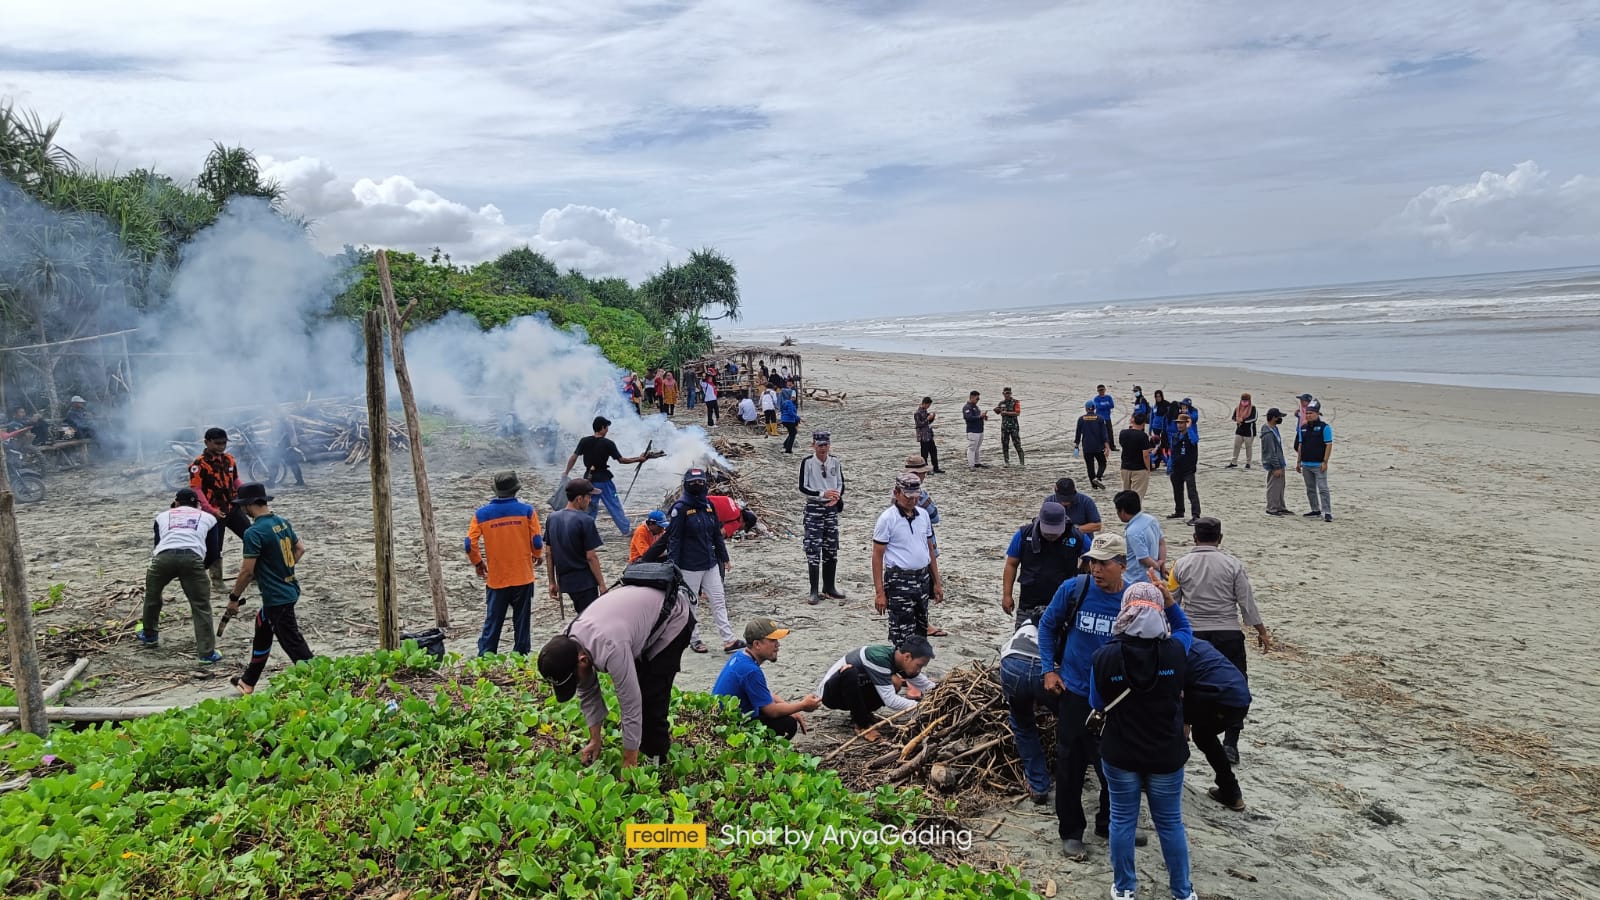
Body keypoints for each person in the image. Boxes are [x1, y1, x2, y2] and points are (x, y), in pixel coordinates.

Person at [1038, 534, 1162, 861]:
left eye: (1104, 563)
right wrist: (1049, 669)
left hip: (1118, 700)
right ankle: (1071, 831)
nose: (1096, 569)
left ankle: (1109, 823)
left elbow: (1159, 640)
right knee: (1070, 766)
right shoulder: (1074, 589)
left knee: (1116, 767)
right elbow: (1047, 626)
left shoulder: (1133, 598)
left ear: (1122, 565)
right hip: (1076, 693)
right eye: (1092, 561)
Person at [1087, 580, 1196, 899]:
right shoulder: (1176, 650)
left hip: (1120, 752)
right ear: (1158, 611)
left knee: (1122, 820)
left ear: (1124, 610)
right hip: (1165, 753)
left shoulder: (1104, 656)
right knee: (1170, 823)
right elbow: (1185, 627)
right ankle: (1182, 891)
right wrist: (1170, 600)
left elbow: (1096, 703)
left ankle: (1124, 888)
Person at [536, 578, 694, 766]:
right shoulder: (570, 640)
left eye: (574, 679)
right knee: (640, 681)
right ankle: (642, 749)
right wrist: (595, 740)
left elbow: (631, 705)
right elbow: (587, 692)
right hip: (635, 620)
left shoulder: (612, 647)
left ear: (583, 661)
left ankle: (656, 758)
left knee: (651, 693)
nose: (577, 684)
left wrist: (628, 762)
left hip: (674, 616)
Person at [1173, 517, 1269, 764]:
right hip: (1228, 632)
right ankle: (1230, 743)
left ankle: (1183, 732)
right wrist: (1261, 630)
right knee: (1236, 683)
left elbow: (1171, 601)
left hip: (1193, 634)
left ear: (1194, 538)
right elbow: (1246, 601)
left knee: (1187, 684)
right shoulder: (1232, 564)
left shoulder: (1181, 564)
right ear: (1220, 538)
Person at [225, 483, 312, 695]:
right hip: (289, 588)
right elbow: (299, 548)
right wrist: (283, 568)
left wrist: (234, 598)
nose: (242, 510)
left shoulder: (253, 532)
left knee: (293, 643)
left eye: (242, 505)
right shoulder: (282, 522)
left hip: (276, 597)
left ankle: (321, 679)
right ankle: (248, 681)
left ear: (250, 505)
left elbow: (246, 572)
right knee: (262, 625)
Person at [464, 470, 544, 656]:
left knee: (493, 620)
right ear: (516, 490)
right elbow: (537, 540)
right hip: (523, 576)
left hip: (497, 578)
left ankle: (485, 655)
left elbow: (469, 543)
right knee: (522, 621)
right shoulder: (527, 511)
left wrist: (478, 563)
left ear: (496, 490)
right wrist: (536, 554)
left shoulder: (482, 514)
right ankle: (521, 654)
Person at [138, 488, 221, 662]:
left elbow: (158, 544)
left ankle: (150, 635)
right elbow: (214, 552)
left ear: (175, 503)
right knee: (201, 605)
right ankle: (206, 653)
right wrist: (199, 568)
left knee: (152, 596)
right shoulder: (208, 518)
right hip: (192, 558)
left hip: (163, 559)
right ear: (198, 505)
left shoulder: (162, 516)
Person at [665, 467, 739, 654]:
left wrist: (724, 557)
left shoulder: (708, 506)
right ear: (686, 485)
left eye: (700, 483)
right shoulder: (680, 509)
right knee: (691, 604)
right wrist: (673, 566)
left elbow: (716, 534)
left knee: (718, 599)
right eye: (693, 483)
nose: (697, 486)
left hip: (710, 562)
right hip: (689, 565)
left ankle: (729, 640)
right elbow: (674, 539)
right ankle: (694, 638)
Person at [713, 618, 821, 739]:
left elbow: (762, 693)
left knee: (785, 714)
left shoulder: (740, 656)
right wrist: (803, 705)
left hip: (722, 720)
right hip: (730, 728)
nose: (778, 644)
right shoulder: (751, 670)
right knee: (788, 724)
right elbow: (772, 711)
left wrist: (790, 707)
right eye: (772, 640)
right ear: (757, 644)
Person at [815, 637, 937, 741]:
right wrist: (923, 706)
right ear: (907, 656)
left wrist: (942, 694)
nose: (919, 670)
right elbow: (891, 700)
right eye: (919, 665)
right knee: (849, 672)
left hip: (854, 690)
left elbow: (926, 685)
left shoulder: (900, 660)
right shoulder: (879, 658)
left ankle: (864, 713)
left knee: (895, 682)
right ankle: (862, 725)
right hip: (831, 695)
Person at [872, 472, 944, 644]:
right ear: (896, 493)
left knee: (920, 632)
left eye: (915, 497)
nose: (912, 501)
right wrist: (879, 593)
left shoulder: (923, 515)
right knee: (901, 634)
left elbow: (929, 550)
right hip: (899, 581)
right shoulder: (887, 519)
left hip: (922, 578)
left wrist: (937, 583)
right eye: (908, 497)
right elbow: (877, 556)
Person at [563, 416, 663, 537]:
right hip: (604, 480)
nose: (607, 430)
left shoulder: (584, 441)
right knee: (614, 505)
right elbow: (622, 460)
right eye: (606, 427)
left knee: (590, 506)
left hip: (588, 481)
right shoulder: (608, 444)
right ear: (602, 428)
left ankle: (585, 531)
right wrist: (639, 459)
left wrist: (566, 472)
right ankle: (626, 530)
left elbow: (573, 457)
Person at [1184, 638, 1253, 812]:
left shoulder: (1172, 650)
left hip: (1218, 698)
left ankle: (1157, 777)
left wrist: (1184, 721)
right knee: (1203, 736)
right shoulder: (1199, 642)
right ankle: (1231, 793)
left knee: (1167, 719)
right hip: (1241, 698)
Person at [1002, 501, 1086, 628]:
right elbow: (1011, 564)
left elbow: (1093, 559)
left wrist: (1082, 578)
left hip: (1063, 603)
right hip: (1029, 603)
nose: (1051, 536)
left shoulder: (1077, 537)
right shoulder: (1023, 535)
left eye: (1055, 532)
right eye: (1047, 532)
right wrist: (1007, 595)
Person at [1000, 614, 1055, 803]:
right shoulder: (1062, 627)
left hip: (1012, 664)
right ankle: (1069, 776)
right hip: (1046, 672)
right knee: (1070, 722)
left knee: (1022, 724)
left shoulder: (1025, 626)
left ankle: (1038, 785)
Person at [189, 427, 251, 594]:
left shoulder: (229, 460)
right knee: (215, 547)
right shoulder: (198, 464)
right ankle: (217, 581)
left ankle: (255, 573)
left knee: (252, 537)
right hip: (213, 511)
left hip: (233, 506)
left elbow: (235, 480)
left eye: (224, 443)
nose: (222, 446)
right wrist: (210, 510)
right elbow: (196, 489)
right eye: (217, 443)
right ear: (207, 442)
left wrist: (246, 495)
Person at [545, 478, 607, 615]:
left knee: (581, 614)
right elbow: (591, 557)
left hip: (565, 580)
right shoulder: (585, 520)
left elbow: (549, 553)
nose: (590, 500)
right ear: (579, 498)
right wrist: (602, 584)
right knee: (590, 618)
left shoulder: (552, 518)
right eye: (588, 497)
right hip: (584, 581)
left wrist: (552, 582)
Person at [798, 432, 846, 604]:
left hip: (831, 509)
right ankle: (813, 590)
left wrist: (836, 496)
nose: (823, 448)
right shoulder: (808, 463)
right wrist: (822, 494)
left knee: (831, 547)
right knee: (813, 548)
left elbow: (840, 483)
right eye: (820, 445)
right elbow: (802, 487)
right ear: (814, 445)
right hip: (814, 509)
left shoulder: (835, 461)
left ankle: (829, 586)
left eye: (826, 445)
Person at [1115, 490, 1165, 585]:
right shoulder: (1151, 520)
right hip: (1155, 576)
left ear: (1123, 511)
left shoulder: (1133, 531)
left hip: (1137, 579)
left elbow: (1143, 558)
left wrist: (1157, 566)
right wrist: (1161, 563)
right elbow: (1161, 542)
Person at [1297, 399, 1334, 522]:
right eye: (1307, 413)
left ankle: (1327, 512)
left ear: (1317, 414)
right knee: (1310, 489)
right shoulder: (1303, 428)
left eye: (1311, 413)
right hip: (1306, 463)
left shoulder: (1324, 427)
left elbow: (1328, 445)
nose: (1308, 415)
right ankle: (1315, 509)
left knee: (1323, 488)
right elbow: (1301, 445)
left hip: (1319, 464)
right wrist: (1299, 461)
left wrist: (1325, 461)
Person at [1166, 411, 1200, 524]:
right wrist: (1169, 466)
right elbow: (1172, 451)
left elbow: (1195, 441)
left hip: (1188, 468)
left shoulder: (1191, 434)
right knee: (1177, 491)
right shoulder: (1175, 436)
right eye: (1178, 423)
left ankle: (1196, 514)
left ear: (1186, 423)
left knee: (1192, 492)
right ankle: (1179, 511)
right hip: (1177, 468)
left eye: (1182, 423)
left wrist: (1190, 428)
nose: (1179, 425)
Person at [902, 455, 941, 556]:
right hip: (923, 546)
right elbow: (935, 517)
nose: (925, 475)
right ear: (917, 474)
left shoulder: (897, 494)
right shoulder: (920, 496)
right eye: (923, 472)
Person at [1260, 407, 1291, 515]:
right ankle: (1272, 508)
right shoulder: (1268, 432)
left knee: (1280, 486)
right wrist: (1276, 466)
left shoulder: (1274, 429)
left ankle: (1280, 506)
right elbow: (1270, 451)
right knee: (1274, 486)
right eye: (1278, 417)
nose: (1280, 419)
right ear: (1273, 418)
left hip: (1279, 461)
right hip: (1275, 464)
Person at [1074, 401, 1110, 489]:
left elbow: (1078, 433)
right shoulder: (1100, 419)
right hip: (1098, 446)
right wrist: (1107, 447)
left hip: (1087, 446)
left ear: (1086, 409)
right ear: (1094, 408)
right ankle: (1098, 477)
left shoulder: (1081, 419)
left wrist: (1076, 445)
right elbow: (1104, 434)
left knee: (1090, 467)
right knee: (1102, 463)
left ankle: (1094, 486)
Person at [1118, 413, 1154, 498]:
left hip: (1125, 467)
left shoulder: (1123, 433)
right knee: (1137, 495)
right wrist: (1148, 468)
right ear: (1143, 423)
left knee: (1126, 494)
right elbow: (1145, 455)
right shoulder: (1143, 436)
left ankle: (1126, 510)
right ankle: (1134, 511)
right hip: (1139, 468)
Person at [995, 387, 1024, 466]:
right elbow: (998, 412)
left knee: (1017, 444)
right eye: (1006, 393)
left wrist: (1006, 413)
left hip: (1014, 426)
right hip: (1005, 427)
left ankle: (1022, 463)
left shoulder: (1015, 402)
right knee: (1005, 444)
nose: (1007, 395)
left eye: (1008, 393)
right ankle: (1006, 462)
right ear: (1003, 394)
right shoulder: (1001, 403)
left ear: (1010, 393)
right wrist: (997, 410)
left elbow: (1017, 413)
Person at [274, 415, 306, 487]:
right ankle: (300, 481)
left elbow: (287, 434)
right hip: (287, 445)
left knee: (292, 463)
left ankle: (300, 481)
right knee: (292, 463)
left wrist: (280, 442)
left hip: (288, 445)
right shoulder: (285, 422)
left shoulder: (286, 423)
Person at [914, 397, 943, 474]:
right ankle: (925, 470)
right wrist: (928, 419)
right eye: (928, 405)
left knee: (934, 452)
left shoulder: (924, 411)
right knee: (924, 454)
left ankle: (936, 468)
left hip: (929, 435)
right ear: (924, 403)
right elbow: (919, 424)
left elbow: (928, 422)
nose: (928, 407)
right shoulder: (917, 413)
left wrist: (932, 418)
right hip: (923, 436)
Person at [1228, 393, 1257, 469]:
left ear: (1249, 400)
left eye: (1246, 400)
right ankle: (1234, 462)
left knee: (1248, 447)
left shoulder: (1253, 408)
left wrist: (1243, 420)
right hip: (1239, 430)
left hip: (1249, 431)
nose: (1244, 402)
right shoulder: (1237, 408)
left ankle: (1248, 463)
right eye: (1243, 400)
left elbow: (1254, 418)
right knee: (1236, 446)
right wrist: (1236, 420)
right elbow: (1233, 417)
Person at [962, 391, 988, 468]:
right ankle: (971, 464)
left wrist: (983, 417)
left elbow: (977, 416)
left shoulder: (976, 407)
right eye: (977, 399)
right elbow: (968, 418)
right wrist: (980, 416)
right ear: (972, 397)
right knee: (972, 448)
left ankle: (977, 462)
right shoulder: (967, 407)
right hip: (972, 431)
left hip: (979, 430)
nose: (978, 400)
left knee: (977, 448)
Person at [1093, 385, 1117, 451]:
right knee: (1100, 432)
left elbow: (1112, 405)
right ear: (1098, 391)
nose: (1101, 391)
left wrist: (1103, 405)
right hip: (1099, 418)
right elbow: (1098, 406)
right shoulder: (1096, 398)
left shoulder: (1108, 397)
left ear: (1105, 390)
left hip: (1107, 417)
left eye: (1102, 390)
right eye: (1100, 390)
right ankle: (1101, 446)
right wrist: (1106, 405)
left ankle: (1112, 446)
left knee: (1110, 432)